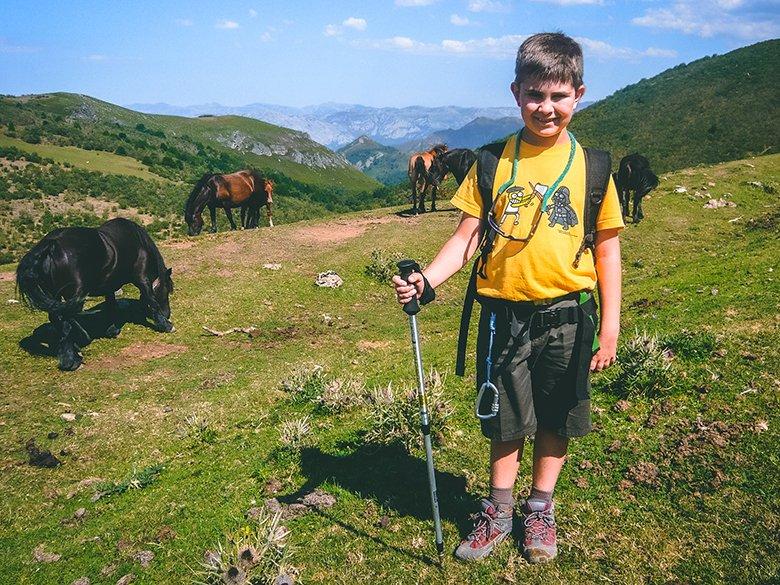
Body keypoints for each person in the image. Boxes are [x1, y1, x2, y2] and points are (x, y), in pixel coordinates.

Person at [392, 32, 624, 564]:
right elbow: (466, 237)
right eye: (535, 95)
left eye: (558, 96)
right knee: (505, 419)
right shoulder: (493, 161)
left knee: (557, 416)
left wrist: (609, 326)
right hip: (503, 316)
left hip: (569, 316)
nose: (546, 108)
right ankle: (499, 510)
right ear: (515, 92)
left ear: (579, 95)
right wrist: (427, 280)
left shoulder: (595, 168)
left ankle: (539, 507)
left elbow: (607, 252)